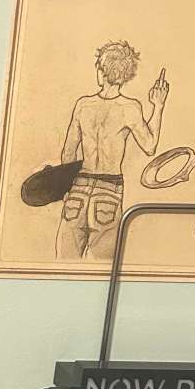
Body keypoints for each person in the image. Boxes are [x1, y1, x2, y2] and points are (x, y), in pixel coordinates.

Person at [56, 42, 169, 260]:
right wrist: (158, 106)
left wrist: (65, 188)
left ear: (101, 70)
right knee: (102, 271)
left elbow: (68, 153)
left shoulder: (83, 105)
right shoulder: (130, 108)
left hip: (78, 188)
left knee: (64, 265)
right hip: (109, 190)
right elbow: (150, 145)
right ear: (126, 75)